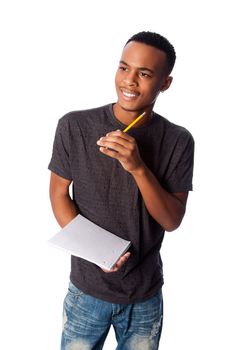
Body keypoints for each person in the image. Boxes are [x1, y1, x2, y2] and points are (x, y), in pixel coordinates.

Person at [48, 31, 194, 350]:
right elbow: (59, 193)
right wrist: (95, 251)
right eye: (124, 67)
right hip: (86, 291)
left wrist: (138, 167)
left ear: (165, 83)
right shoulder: (74, 125)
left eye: (144, 74)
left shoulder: (179, 140)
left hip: (145, 296)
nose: (129, 81)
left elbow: (171, 220)